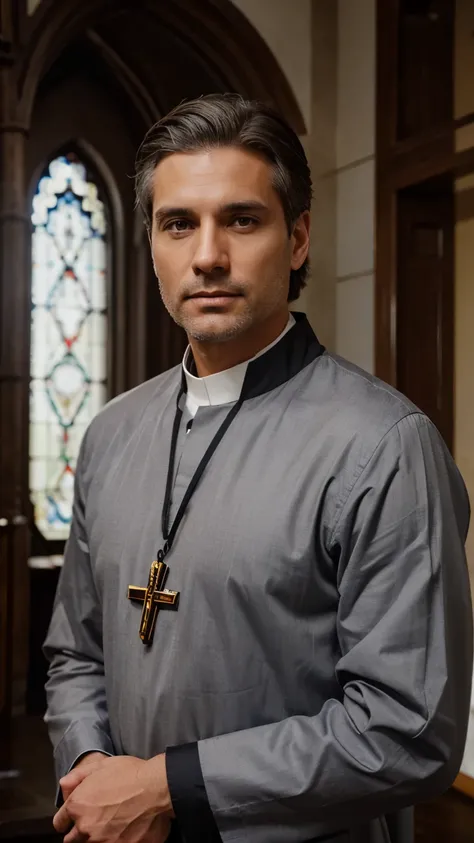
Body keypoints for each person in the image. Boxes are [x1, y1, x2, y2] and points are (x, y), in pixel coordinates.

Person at [44, 93, 472, 843]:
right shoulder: (111, 434)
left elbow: (408, 732)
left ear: (298, 238)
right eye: (179, 223)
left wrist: (166, 787)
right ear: (151, 244)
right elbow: (75, 654)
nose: (207, 254)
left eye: (241, 219)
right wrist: (92, 771)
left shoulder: (383, 446)